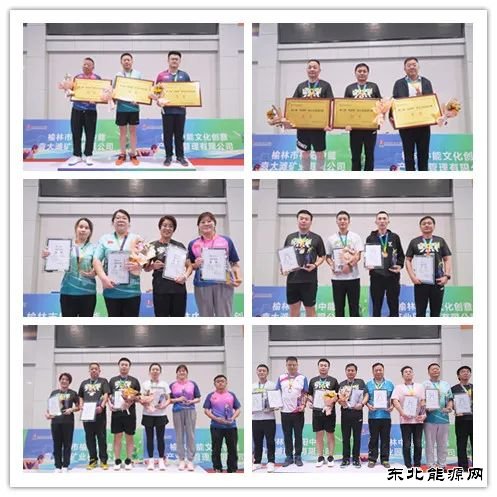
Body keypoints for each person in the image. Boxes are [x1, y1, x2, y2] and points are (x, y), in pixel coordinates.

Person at [188, 211, 242, 317]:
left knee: (224, 316)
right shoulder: (193, 244)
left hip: (225, 283)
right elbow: (190, 266)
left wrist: (238, 277)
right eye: (203, 222)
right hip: (202, 284)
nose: (206, 224)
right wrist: (196, 265)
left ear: (214, 224)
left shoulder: (226, 241)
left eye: (209, 221)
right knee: (205, 317)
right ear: (198, 226)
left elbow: (235, 264)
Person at [41, 217, 97, 317]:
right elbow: (53, 266)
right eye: (81, 227)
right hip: (68, 291)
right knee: (68, 325)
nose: (83, 230)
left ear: (90, 232)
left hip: (88, 292)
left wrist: (95, 272)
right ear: (76, 229)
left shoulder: (94, 248)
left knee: (86, 325)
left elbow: (98, 267)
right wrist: (48, 257)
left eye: (86, 228)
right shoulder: (66, 246)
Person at [93, 209, 143, 317]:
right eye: (118, 218)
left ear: (129, 223)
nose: (121, 220)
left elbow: (145, 259)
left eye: (124, 218)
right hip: (111, 290)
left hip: (132, 291)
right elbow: (96, 260)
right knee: (114, 324)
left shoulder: (137, 239)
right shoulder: (104, 239)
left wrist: (138, 265)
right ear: (113, 222)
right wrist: (103, 278)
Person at [391, 57, 434, 171]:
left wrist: (422, 98)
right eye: (409, 65)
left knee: (423, 155)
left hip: (423, 124)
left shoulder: (426, 82)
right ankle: (411, 179)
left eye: (414, 65)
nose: (412, 67)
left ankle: (424, 179)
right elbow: (394, 101)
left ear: (418, 67)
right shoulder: (399, 83)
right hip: (406, 126)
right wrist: (393, 118)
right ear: (404, 69)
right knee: (408, 156)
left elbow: (431, 102)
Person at [145, 215, 192, 317]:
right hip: (160, 289)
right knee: (162, 320)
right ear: (160, 227)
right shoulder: (152, 246)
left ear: (173, 229)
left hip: (178, 289)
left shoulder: (179, 246)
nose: (167, 228)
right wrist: (153, 266)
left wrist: (185, 276)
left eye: (171, 226)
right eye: (164, 225)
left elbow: (189, 266)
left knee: (178, 321)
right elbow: (146, 268)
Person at [405, 215, 452, 317]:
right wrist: (412, 277)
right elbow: (408, 260)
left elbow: (447, 259)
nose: (426, 225)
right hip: (420, 281)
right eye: (424, 223)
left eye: (429, 223)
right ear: (420, 227)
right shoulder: (414, 242)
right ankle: (420, 329)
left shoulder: (440, 241)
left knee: (436, 313)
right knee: (420, 313)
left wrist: (446, 276)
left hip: (438, 281)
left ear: (434, 226)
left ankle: (435, 329)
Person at [282, 209, 326, 317]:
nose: (303, 221)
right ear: (297, 220)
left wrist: (315, 265)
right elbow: (285, 256)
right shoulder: (290, 237)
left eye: (306, 219)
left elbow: (322, 256)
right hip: (292, 280)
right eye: (301, 218)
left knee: (310, 310)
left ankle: (310, 329)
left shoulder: (317, 238)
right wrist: (283, 268)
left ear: (311, 222)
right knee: (293, 310)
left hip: (309, 280)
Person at [292, 59, 334, 171]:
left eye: (315, 67)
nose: (312, 69)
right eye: (310, 67)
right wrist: (291, 122)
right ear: (306, 70)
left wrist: (329, 123)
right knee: (305, 152)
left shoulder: (325, 85)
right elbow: (293, 105)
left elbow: (331, 105)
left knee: (319, 153)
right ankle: (306, 174)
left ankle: (319, 175)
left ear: (319, 70)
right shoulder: (300, 86)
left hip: (319, 127)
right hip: (303, 126)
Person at [365, 211, 405, 317]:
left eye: (384, 218)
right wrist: (368, 264)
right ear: (376, 222)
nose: (382, 221)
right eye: (379, 219)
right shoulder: (371, 238)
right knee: (376, 306)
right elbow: (367, 256)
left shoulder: (394, 237)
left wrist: (399, 266)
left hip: (392, 276)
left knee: (394, 305)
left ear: (388, 221)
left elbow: (401, 255)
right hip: (376, 276)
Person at [155, 51, 191, 167]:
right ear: (168, 60)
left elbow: (190, 92)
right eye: (172, 59)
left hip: (180, 111)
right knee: (167, 135)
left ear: (179, 61)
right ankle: (168, 156)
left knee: (179, 135)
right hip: (167, 111)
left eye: (176, 59)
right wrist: (158, 101)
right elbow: (156, 92)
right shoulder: (161, 76)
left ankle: (180, 156)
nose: (174, 61)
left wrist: (187, 102)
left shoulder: (185, 76)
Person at [344, 63, 382, 171]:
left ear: (368, 73)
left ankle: (368, 178)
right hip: (355, 128)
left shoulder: (374, 86)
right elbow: (344, 108)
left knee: (370, 155)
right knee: (355, 156)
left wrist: (379, 119)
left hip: (370, 127)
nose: (362, 73)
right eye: (359, 71)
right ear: (355, 73)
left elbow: (380, 105)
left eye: (364, 71)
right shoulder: (349, 88)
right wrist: (345, 123)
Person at [326, 210, 363, 317]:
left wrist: (349, 265)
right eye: (340, 219)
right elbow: (328, 256)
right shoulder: (331, 239)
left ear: (349, 221)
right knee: (339, 308)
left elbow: (358, 255)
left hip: (353, 277)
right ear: (336, 222)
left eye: (345, 219)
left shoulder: (355, 237)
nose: (342, 221)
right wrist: (332, 265)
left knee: (354, 307)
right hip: (337, 278)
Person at [66, 57, 101, 166]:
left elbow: (102, 94)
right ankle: (77, 155)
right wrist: (67, 90)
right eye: (84, 64)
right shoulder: (77, 78)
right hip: (77, 109)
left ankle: (88, 155)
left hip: (90, 110)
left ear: (93, 67)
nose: (85, 66)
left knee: (90, 134)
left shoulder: (97, 79)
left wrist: (97, 100)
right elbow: (71, 92)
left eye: (88, 65)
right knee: (76, 133)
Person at [108, 357, 141, 471]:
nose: (124, 366)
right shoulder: (112, 380)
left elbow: (139, 397)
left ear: (129, 367)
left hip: (129, 413)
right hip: (116, 413)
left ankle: (128, 460)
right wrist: (110, 405)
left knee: (129, 437)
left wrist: (130, 401)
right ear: (119, 366)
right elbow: (108, 395)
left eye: (126, 365)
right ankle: (117, 461)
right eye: (122, 364)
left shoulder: (134, 381)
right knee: (117, 437)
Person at [203, 374, 241, 473]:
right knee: (216, 449)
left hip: (231, 426)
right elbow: (206, 410)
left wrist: (233, 418)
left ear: (226, 383)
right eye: (218, 381)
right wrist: (216, 418)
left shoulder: (231, 395)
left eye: (222, 381)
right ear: (214, 384)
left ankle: (232, 469)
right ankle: (218, 468)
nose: (220, 383)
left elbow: (238, 409)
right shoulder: (211, 396)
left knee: (232, 449)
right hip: (216, 426)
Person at [276, 356, 308, 468]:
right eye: (289, 365)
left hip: (298, 412)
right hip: (285, 412)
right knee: (287, 435)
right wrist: (275, 404)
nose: (292, 367)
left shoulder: (302, 378)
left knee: (298, 435)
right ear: (286, 365)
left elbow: (305, 393)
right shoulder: (281, 378)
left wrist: (303, 405)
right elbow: (276, 393)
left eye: (294, 364)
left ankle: (298, 456)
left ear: (297, 365)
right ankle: (288, 456)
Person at [391, 366, 426, 468]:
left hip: (418, 420)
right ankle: (408, 464)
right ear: (402, 375)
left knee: (418, 444)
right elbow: (395, 400)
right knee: (406, 444)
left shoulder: (420, 386)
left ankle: (417, 464)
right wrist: (402, 412)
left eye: (410, 371)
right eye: (406, 372)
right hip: (405, 420)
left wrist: (423, 414)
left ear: (413, 374)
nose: (408, 373)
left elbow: (423, 401)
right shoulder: (398, 387)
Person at [307, 358, 339, 468]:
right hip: (317, 412)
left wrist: (331, 402)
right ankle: (320, 457)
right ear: (318, 367)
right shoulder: (313, 380)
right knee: (319, 435)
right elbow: (310, 394)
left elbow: (338, 395)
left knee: (330, 434)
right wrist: (310, 401)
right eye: (321, 365)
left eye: (325, 365)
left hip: (329, 412)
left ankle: (330, 457)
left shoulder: (333, 380)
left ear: (328, 367)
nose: (323, 367)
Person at [78, 362, 110, 470]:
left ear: (99, 371)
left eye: (96, 369)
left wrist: (102, 406)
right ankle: (93, 460)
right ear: (89, 371)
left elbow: (106, 394)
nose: (94, 370)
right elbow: (81, 396)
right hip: (87, 414)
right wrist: (81, 406)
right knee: (89, 438)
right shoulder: (84, 383)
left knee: (101, 437)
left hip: (99, 413)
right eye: (92, 369)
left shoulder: (103, 381)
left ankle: (103, 461)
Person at [45, 373, 80, 472]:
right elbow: (49, 407)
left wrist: (71, 409)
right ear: (60, 381)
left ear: (69, 382)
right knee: (57, 444)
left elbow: (78, 406)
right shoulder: (54, 393)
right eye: (62, 379)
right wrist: (47, 414)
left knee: (67, 444)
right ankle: (57, 466)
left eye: (66, 379)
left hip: (68, 422)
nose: (64, 381)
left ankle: (65, 465)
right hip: (55, 422)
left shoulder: (73, 393)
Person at [169, 364, 201, 471]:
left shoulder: (192, 384)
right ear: (177, 373)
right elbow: (169, 400)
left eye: (184, 371)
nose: (182, 372)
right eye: (180, 371)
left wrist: (191, 401)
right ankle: (181, 460)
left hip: (190, 410)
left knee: (190, 435)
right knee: (179, 435)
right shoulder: (172, 385)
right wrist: (178, 399)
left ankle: (190, 460)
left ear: (187, 373)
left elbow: (198, 398)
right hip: (177, 411)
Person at [140, 363, 171, 471]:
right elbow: (141, 399)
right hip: (148, 414)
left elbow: (168, 399)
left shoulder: (164, 384)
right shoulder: (145, 384)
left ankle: (161, 460)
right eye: (153, 369)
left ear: (160, 372)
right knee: (149, 438)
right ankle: (151, 460)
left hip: (160, 415)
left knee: (160, 438)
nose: (155, 371)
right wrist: (146, 405)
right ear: (150, 372)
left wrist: (164, 405)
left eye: (157, 369)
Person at [423, 363, 453, 470]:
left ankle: (442, 464)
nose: (435, 370)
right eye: (433, 369)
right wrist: (426, 407)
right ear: (428, 372)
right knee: (429, 444)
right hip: (430, 418)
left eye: (437, 369)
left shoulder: (445, 384)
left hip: (444, 418)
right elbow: (422, 400)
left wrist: (449, 407)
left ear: (440, 371)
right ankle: (430, 464)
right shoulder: (424, 384)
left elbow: (450, 399)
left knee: (443, 444)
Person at [114, 53, 142, 167]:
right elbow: (114, 91)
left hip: (134, 108)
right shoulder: (118, 75)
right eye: (124, 60)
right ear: (121, 62)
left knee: (133, 132)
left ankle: (133, 154)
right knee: (122, 133)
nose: (126, 62)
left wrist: (139, 99)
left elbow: (141, 90)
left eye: (128, 60)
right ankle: (122, 154)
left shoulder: (138, 74)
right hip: (121, 108)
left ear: (132, 61)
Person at [365, 363, 395, 468]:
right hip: (373, 416)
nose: (378, 372)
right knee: (373, 438)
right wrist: (368, 405)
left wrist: (392, 407)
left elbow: (394, 399)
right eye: (376, 370)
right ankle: (372, 459)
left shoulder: (390, 384)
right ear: (373, 372)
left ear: (383, 370)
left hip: (386, 416)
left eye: (380, 370)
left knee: (385, 438)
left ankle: (385, 459)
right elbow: (365, 399)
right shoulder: (368, 384)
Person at [338, 363, 368, 468]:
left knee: (357, 437)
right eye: (348, 370)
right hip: (345, 413)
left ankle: (356, 459)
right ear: (346, 372)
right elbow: (338, 398)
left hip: (357, 413)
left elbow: (366, 394)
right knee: (345, 437)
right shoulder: (342, 384)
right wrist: (341, 402)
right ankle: (345, 459)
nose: (350, 372)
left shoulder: (360, 382)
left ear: (356, 372)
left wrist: (362, 404)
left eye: (352, 370)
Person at [252, 364, 277, 473]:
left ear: (267, 373)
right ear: (257, 372)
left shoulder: (273, 385)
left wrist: (274, 406)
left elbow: (277, 399)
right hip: (255, 418)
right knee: (257, 441)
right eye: (260, 371)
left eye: (264, 371)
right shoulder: (252, 386)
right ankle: (257, 462)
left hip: (269, 417)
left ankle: (271, 462)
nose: (261, 372)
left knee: (270, 441)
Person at [451, 366, 473, 471]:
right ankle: (463, 467)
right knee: (461, 444)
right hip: (461, 420)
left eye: (468, 371)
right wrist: (455, 409)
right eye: (463, 372)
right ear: (458, 375)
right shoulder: (454, 388)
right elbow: (450, 402)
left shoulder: (474, 387)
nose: (466, 373)